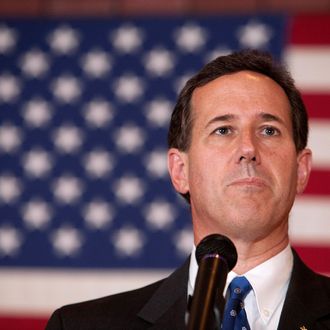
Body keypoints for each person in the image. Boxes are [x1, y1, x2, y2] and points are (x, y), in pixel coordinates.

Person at [46, 50, 330, 330]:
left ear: (301, 170)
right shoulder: (79, 325)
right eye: (223, 130)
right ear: (181, 171)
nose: (248, 149)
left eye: (269, 130)